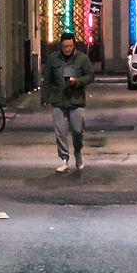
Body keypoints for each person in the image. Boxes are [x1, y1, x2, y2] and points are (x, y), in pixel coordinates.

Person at [41, 30, 96, 173]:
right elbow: (47, 80)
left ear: (74, 45)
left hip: (76, 100)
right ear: (61, 46)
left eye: (70, 46)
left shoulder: (82, 59)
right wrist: (45, 98)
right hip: (58, 100)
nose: (67, 49)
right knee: (60, 131)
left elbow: (90, 75)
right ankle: (64, 159)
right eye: (65, 46)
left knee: (77, 130)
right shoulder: (53, 59)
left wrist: (77, 81)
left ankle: (78, 152)